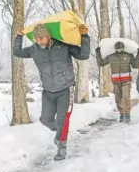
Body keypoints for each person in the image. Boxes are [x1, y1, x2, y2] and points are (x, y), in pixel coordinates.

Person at [13, 23, 90, 161]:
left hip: (66, 89)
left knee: (62, 119)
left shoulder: (63, 45)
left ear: (48, 36)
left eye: (42, 38)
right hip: (48, 90)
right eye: (37, 38)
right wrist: (19, 36)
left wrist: (84, 36)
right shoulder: (34, 49)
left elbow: (83, 55)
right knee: (45, 119)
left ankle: (62, 146)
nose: (39, 41)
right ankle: (59, 133)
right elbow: (17, 52)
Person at [95, 41, 139, 123]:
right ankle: (121, 114)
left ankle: (127, 114)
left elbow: (135, 65)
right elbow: (101, 63)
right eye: (118, 49)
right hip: (116, 81)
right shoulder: (111, 57)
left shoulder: (128, 55)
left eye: (120, 48)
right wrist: (98, 53)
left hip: (126, 80)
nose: (119, 50)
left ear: (123, 48)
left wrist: (138, 55)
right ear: (115, 49)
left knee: (126, 97)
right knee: (118, 98)